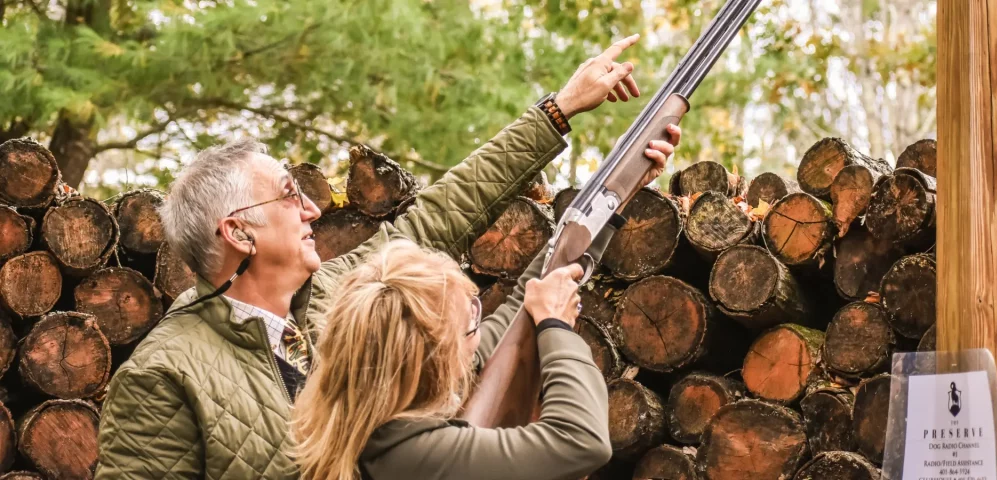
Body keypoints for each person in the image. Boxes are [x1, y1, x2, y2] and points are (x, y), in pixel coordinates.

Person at [94, 34, 678, 479]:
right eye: (289, 194)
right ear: (239, 234)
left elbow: (448, 208)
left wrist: (566, 122)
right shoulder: (162, 374)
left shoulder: (345, 293)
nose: (312, 210)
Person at [289, 133, 677, 480]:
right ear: (435, 361)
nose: (481, 319)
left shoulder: (380, 412)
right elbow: (582, 442)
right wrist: (557, 327)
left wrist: (613, 198)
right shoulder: (411, 457)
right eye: (471, 319)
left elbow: (524, 301)